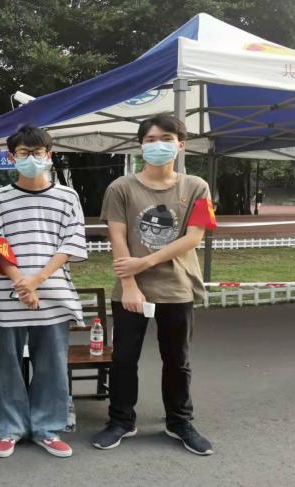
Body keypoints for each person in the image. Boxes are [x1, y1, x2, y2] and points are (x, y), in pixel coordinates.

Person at [93, 114, 217, 456]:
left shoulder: (197, 186)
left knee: (177, 360)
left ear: (180, 145)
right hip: (131, 289)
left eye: (165, 138)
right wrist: (130, 283)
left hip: (177, 287)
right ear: (140, 145)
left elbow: (193, 238)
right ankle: (120, 421)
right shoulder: (121, 188)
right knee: (123, 358)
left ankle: (179, 422)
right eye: (149, 139)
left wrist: (145, 262)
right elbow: (117, 237)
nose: (157, 145)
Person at [0, 125, 87, 458]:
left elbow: (71, 243)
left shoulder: (68, 197)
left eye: (37, 152)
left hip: (53, 295)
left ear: (49, 155)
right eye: (24, 153)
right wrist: (21, 281)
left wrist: (36, 280)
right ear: (11, 157)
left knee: (52, 364)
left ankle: (48, 428)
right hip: (7, 295)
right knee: (5, 365)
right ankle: (8, 428)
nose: (31, 158)